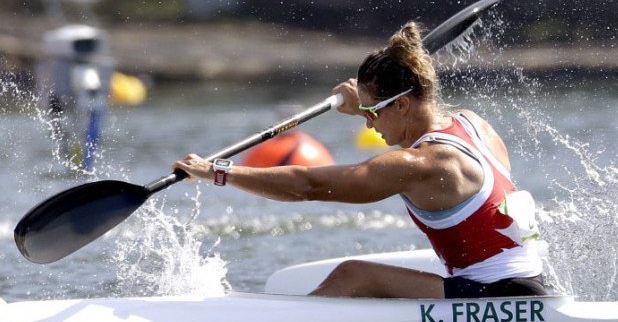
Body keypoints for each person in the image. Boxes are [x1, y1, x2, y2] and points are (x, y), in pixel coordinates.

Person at [173, 21, 548, 299]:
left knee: (353, 275)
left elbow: (308, 186)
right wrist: (367, 107)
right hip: (528, 284)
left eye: (372, 113)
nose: (368, 123)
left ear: (401, 104)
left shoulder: (420, 165)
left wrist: (216, 172)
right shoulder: (473, 124)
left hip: (496, 298)